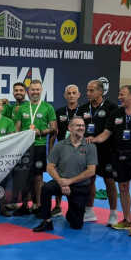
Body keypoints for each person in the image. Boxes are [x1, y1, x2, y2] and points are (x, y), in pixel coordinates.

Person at [90, 84, 131, 237]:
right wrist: (93, 140)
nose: (119, 97)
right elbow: (106, 134)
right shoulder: (115, 113)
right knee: (124, 189)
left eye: (122, 95)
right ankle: (126, 219)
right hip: (118, 155)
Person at [33, 117, 97, 232]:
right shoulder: (60, 145)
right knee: (46, 188)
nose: (81, 128)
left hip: (80, 186)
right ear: (70, 128)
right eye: (78, 125)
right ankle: (47, 221)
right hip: (61, 183)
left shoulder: (90, 147)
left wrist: (69, 181)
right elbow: (50, 167)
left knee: (76, 225)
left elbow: (91, 171)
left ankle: (72, 212)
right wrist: (62, 183)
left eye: (83, 126)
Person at [78, 78, 120, 226]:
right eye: (87, 90)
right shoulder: (83, 108)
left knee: (109, 181)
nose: (88, 93)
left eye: (92, 90)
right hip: (88, 151)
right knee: (89, 180)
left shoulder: (112, 108)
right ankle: (89, 211)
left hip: (106, 151)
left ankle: (114, 213)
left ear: (100, 91)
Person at [13, 80, 55, 216]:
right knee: (24, 177)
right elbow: (17, 129)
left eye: (37, 89)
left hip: (39, 146)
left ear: (41, 90)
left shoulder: (48, 107)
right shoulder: (22, 108)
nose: (35, 92)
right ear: (28, 91)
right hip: (24, 147)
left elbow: (54, 128)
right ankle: (24, 205)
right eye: (32, 89)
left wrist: (41, 132)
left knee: (38, 177)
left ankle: (38, 205)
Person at [51, 84, 83, 217]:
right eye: (68, 93)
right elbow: (54, 132)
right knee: (60, 175)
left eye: (73, 93)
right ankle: (58, 206)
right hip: (62, 148)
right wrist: (51, 148)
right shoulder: (58, 111)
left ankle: (76, 207)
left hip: (79, 148)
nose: (71, 95)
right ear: (65, 96)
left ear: (78, 95)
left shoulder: (84, 111)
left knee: (78, 177)